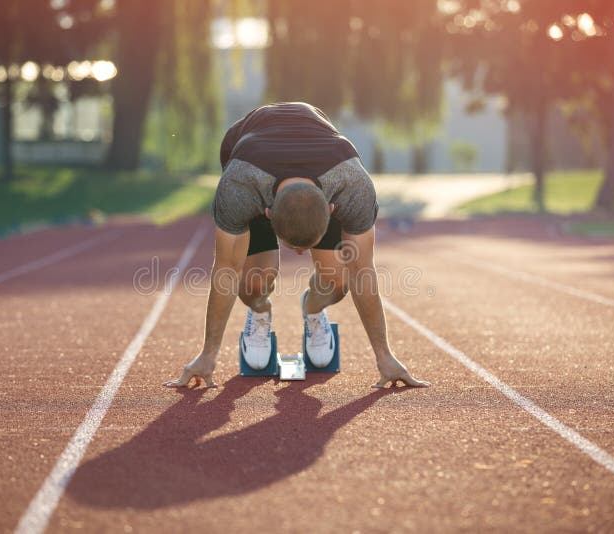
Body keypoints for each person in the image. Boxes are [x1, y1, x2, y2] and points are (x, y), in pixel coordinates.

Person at [163, 102, 430, 389]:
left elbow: (362, 271)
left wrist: (385, 357)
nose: (300, 254)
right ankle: (259, 312)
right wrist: (207, 355)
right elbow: (226, 269)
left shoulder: (352, 185)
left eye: (305, 247)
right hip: (250, 159)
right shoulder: (239, 187)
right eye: (293, 247)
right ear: (266, 214)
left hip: (323, 165)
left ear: (330, 210)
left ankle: (313, 309)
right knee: (255, 280)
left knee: (337, 280)